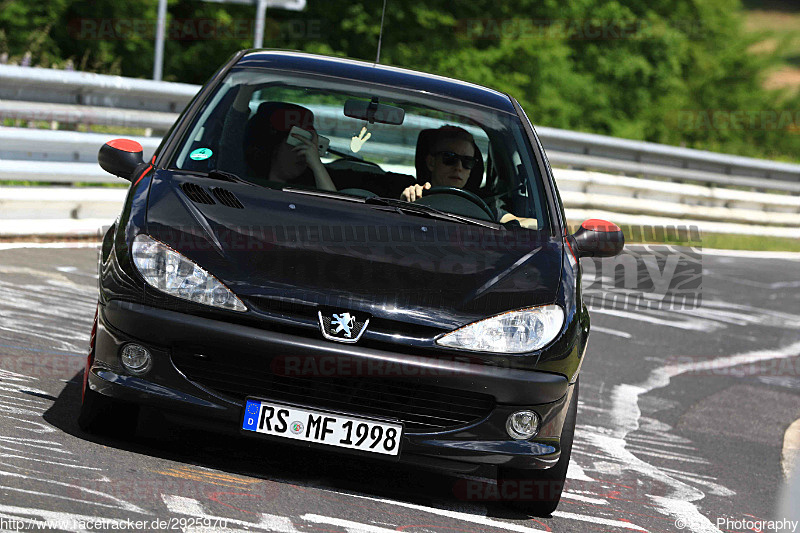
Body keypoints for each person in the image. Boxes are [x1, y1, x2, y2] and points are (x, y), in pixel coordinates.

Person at [401, 126, 538, 229]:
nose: (459, 167)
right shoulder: (410, 193)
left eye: (467, 162)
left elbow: (529, 224)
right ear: (431, 162)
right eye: (449, 158)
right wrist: (406, 201)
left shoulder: (486, 207)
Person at [219, 86, 335, 191]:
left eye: (310, 147)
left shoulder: (310, 188)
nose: (304, 154)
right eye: (297, 143)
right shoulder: (241, 178)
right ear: (274, 146)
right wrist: (247, 89)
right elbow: (230, 140)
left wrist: (317, 166)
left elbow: (333, 208)